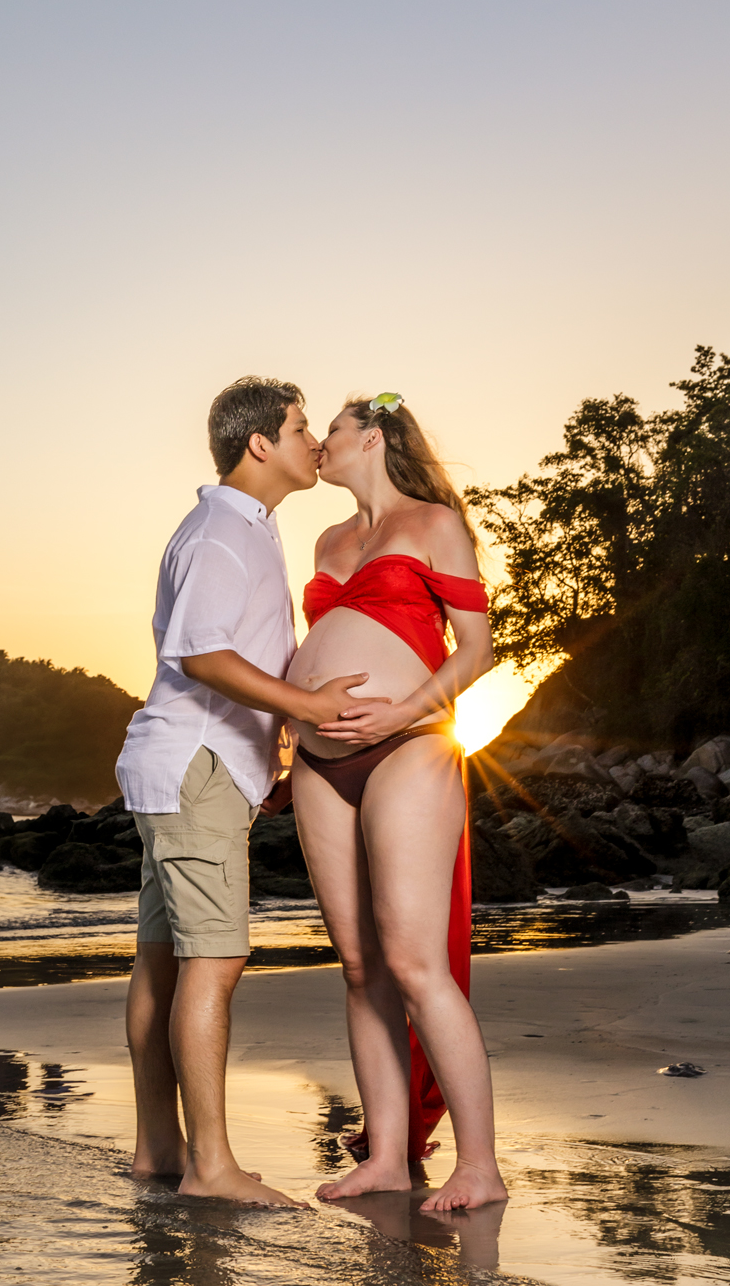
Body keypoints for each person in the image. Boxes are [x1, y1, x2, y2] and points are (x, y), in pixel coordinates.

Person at [118, 376, 370, 1207]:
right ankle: (212, 1167)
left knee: (164, 965)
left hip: (190, 764)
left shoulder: (241, 528)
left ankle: (161, 1146)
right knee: (215, 961)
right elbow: (202, 653)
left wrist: (273, 753)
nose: (313, 442)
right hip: (196, 765)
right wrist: (306, 708)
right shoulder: (226, 532)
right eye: (301, 428)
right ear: (259, 443)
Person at [287, 393, 507, 1214]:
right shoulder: (327, 540)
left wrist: (402, 709)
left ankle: (479, 1165)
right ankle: (386, 1154)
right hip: (317, 762)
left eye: (329, 434)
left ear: (371, 437)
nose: (318, 448)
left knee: (416, 963)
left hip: (410, 748)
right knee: (359, 967)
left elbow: (478, 650)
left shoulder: (433, 524)